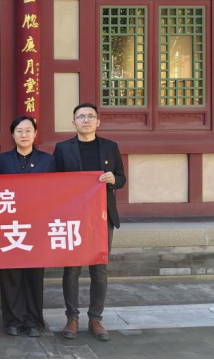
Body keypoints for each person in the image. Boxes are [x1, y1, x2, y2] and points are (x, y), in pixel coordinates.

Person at [53, 103, 125, 342]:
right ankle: (72, 317)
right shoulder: (62, 148)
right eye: (81, 116)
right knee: (72, 268)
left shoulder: (110, 147)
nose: (86, 120)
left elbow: (122, 178)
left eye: (91, 116)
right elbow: (54, 182)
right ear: (73, 122)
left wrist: (114, 179)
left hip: (102, 217)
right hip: (74, 216)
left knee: (99, 269)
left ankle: (95, 318)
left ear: (98, 122)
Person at [0, 115, 55, 338]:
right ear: (12, 134)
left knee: (34, 275)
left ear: (35, 134)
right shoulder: (1, 160)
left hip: (36, 225)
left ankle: (34, 321)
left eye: (28, 130)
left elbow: (57, 191)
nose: (24, 134)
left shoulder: (47, 161)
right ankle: (12, 321)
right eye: (19, 131)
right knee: (10, 275)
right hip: (9, 225)